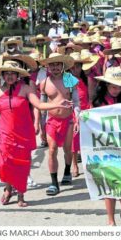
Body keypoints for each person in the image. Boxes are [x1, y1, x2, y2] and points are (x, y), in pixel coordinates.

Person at [0, 60, 71, 206]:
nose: (9, 76)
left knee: (21, 165)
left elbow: (40, 105)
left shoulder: (26, 89)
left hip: (23, 134)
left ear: (18, 76)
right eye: (6, 73)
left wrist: (57, 104)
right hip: (4, 134)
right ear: (2, 75)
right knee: (3, 164)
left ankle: (21, 196)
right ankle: (8, 189)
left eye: (12, 73)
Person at [92, 67, 121, 226]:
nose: (116, 89)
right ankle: (110, 219)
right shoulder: (97, 102)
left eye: (118, 86)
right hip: (105, 149)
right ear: (106, 85)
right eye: (112, 86)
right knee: (109, 184)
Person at [39, 53, 80, 196]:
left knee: (68, 149)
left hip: (68, 120)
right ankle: (54, 183)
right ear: (48, 66)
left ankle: (67, 171)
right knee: (52, 150)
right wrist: (41, 125)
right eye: (52, 64)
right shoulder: (44, 83)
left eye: (58, 64)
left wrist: (77, 118)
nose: (55, 67)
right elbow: (41, 105)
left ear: (63, 65)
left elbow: (75, 101)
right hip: (51, 120)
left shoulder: (69, 79)